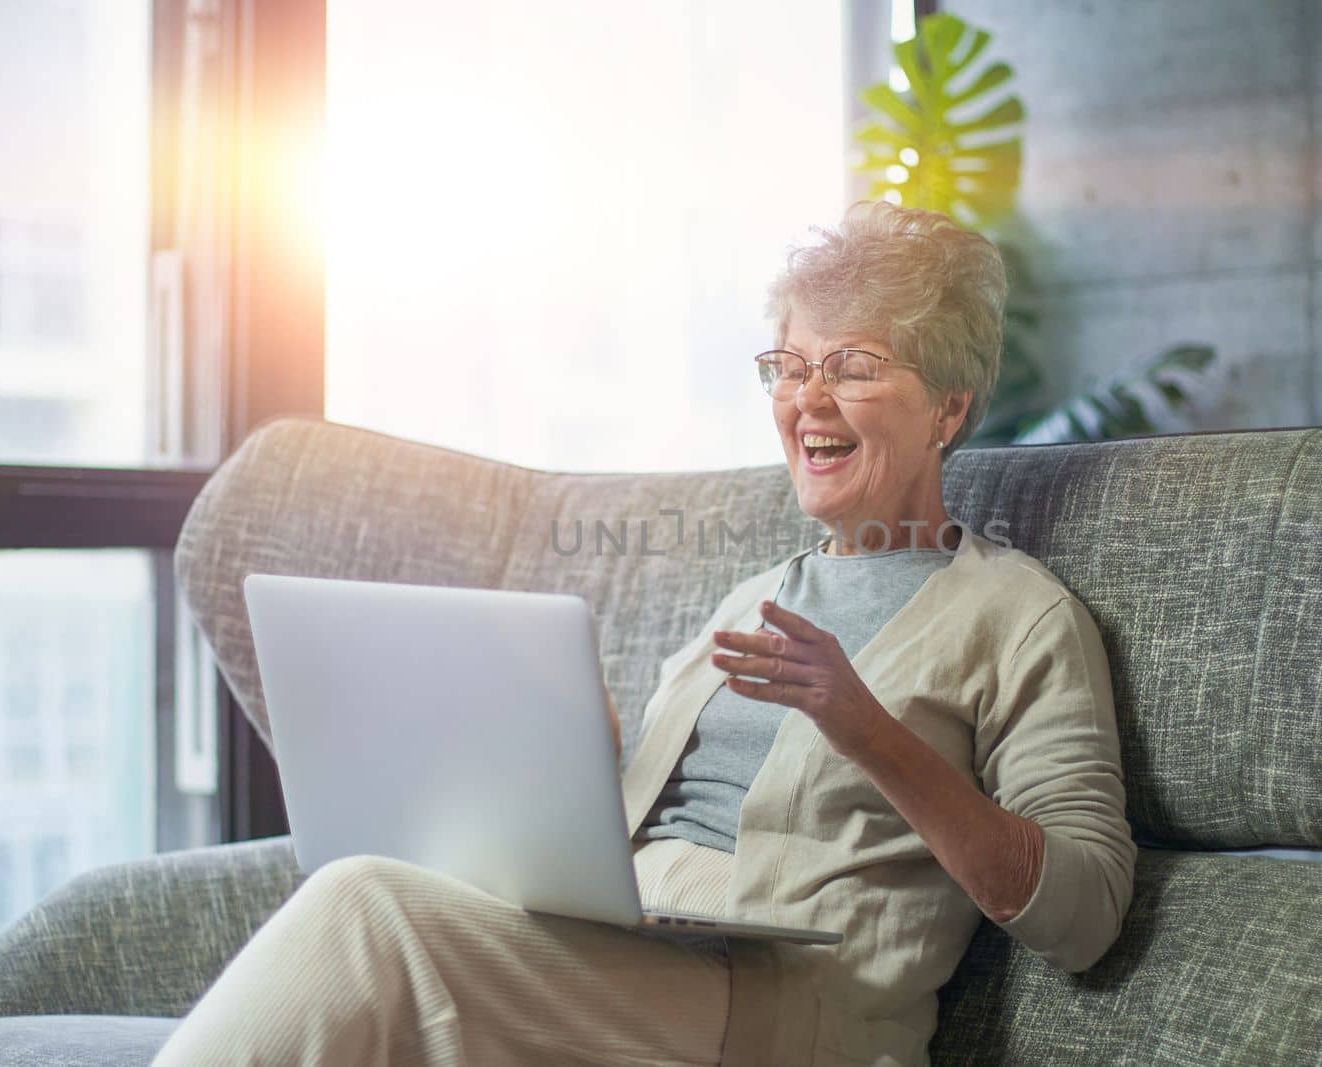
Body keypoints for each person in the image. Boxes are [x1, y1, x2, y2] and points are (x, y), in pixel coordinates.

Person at [152, 202, 1135, 1066]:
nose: (809, 398)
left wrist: (865, 726)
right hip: (624, 953)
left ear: (949, 407)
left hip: (791, 1008)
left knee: (363, 910)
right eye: (788, 366)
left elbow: (1083, 912)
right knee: (372, 915)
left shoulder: (1021, 617)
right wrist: (575, 764)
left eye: (856, 367)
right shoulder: (747, 601)